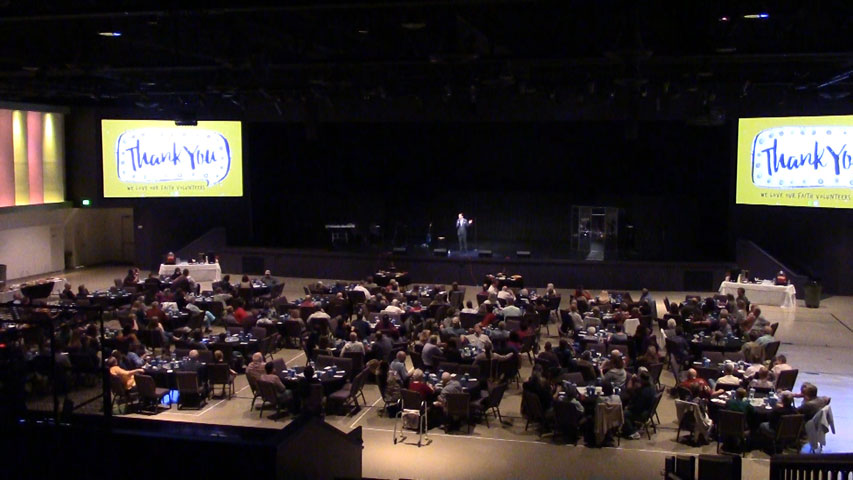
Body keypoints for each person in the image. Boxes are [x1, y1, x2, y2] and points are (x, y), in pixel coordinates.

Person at [622, 370, 655, 439]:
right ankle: (630, 426)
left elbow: (638, 407)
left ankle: (632, 432)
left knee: (624, 413)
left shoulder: (644, 392)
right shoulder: (651, 387)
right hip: (647, 411)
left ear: (643, 380)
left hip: (642, 413)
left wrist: (628, 408)